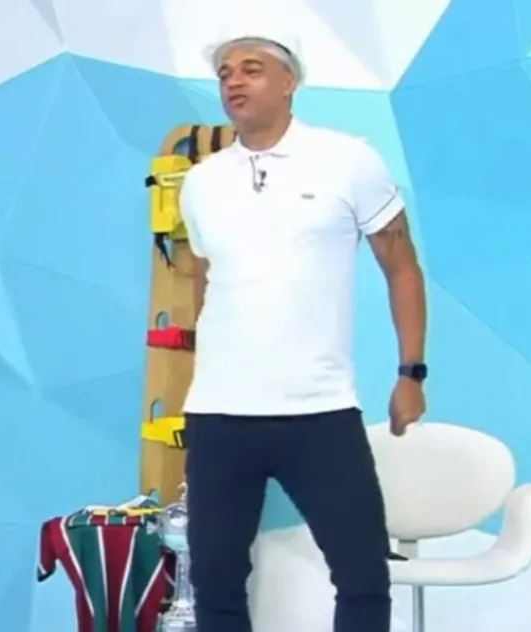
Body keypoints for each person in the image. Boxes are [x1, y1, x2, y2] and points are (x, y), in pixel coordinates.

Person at [177, 31, 429, 632]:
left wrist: (411, 372)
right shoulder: (201, 182)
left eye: (252, 69)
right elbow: (207, 280)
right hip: (219, 414)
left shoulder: (349, 161)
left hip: (319, 410)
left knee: (363, 575)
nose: (234, 81)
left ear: (290, 82)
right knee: (214, 583)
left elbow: (402, 266)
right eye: (225, 73)